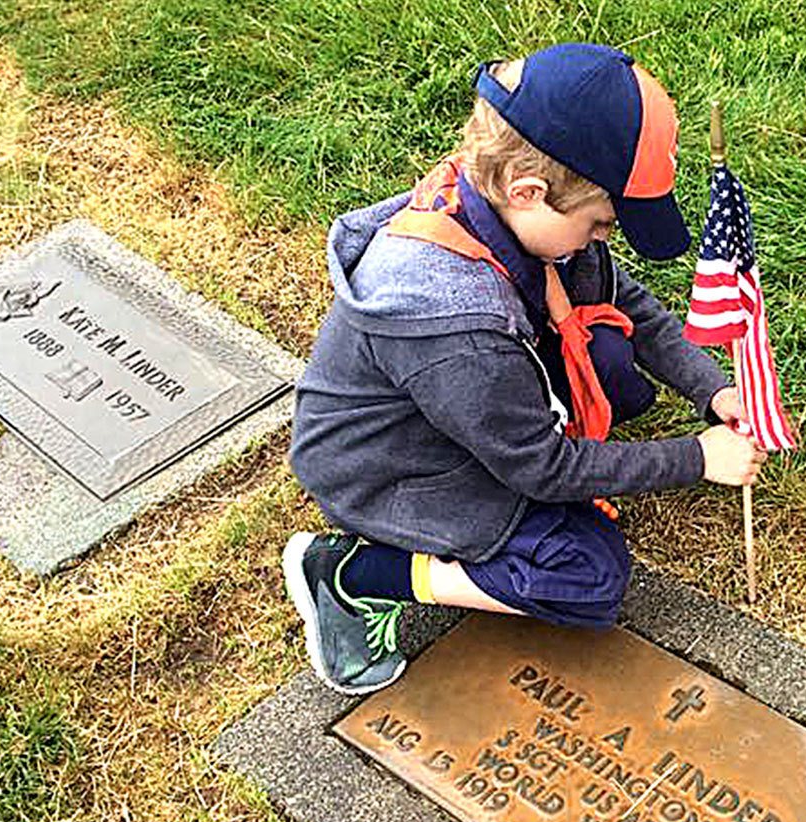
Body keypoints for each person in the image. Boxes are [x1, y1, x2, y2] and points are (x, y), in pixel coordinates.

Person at [283, 43, 764, 695]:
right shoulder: (459, 330)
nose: (603, 241)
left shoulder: (515, 210)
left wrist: (712, 389)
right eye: (600, 225)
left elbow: (626, 303)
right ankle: (353, 578)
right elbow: (544, 468)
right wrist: (695, 459)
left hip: (462, 402)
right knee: (586, 576)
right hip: (392, 468)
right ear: (528, 190)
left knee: (615, 367)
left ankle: (525, 440)